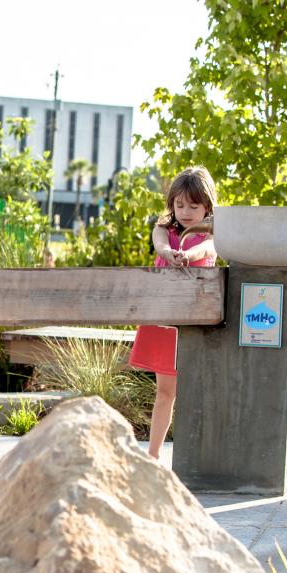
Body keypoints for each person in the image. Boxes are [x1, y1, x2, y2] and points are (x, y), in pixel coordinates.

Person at [129, 167, 217, 459]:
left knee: (196, 393)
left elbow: (205, 248)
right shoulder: (164, 228)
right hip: (164, 319)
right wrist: (170, 254)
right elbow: (161, 245)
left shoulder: (215, 234)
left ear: (207, 206)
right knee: (165, 392)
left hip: (194, 322)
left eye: (193, 206)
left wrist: (188, 256)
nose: (186, 211)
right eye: (179, 205)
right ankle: (152, 456)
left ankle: (196, 458)